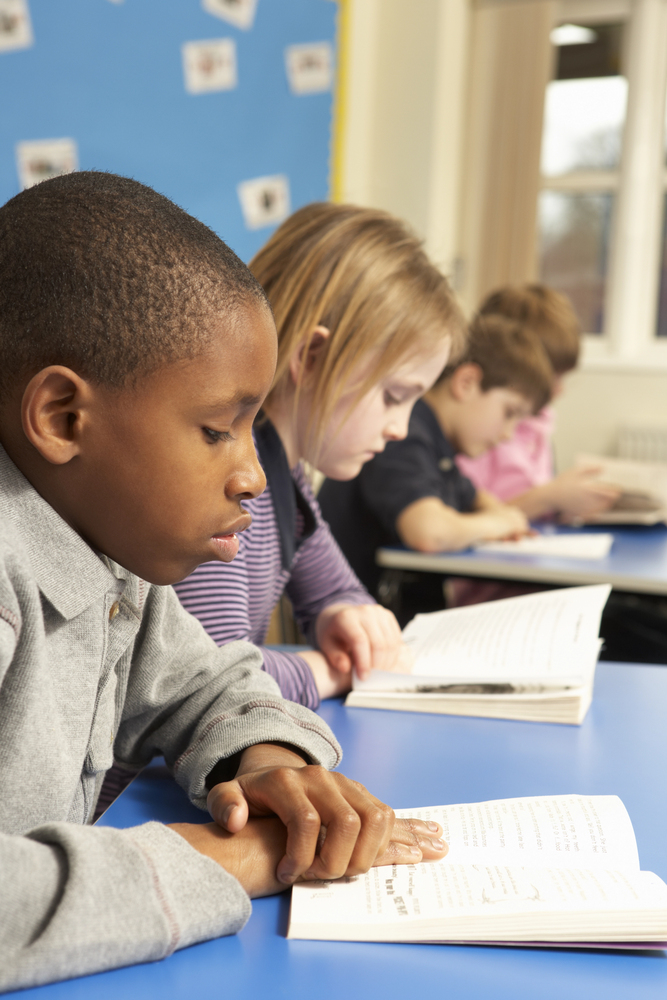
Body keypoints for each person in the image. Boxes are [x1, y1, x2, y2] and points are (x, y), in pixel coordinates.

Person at [0, 173, 448, 993]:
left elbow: (208, 682)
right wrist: (233, 854)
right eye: (216, 430)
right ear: (63, 417)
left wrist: (273, 767)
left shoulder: (109, 555)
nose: (250, 473)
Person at [175, 203, 464, 704]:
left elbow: (337, 592)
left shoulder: (287, 479)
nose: (401, 428)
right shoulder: (226, 479)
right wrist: (333, 672)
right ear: (311, 356)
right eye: (394, 397)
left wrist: (346, 615)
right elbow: (211, 678)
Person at [319, 314, 552, 619]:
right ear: (466, 383)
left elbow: (481, 501)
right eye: (509, 413)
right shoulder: (407, 433)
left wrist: (504, 517)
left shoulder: (439, 445)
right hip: (354, 618)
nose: (508, 433)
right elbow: (428, 532)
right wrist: (499, 525)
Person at [457, 284, 619, 521]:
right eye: (550, 378)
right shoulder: (477, 427)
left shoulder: (539, 422)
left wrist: (567, 504)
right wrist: (549, 497)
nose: (558, 389)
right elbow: (466, 516)